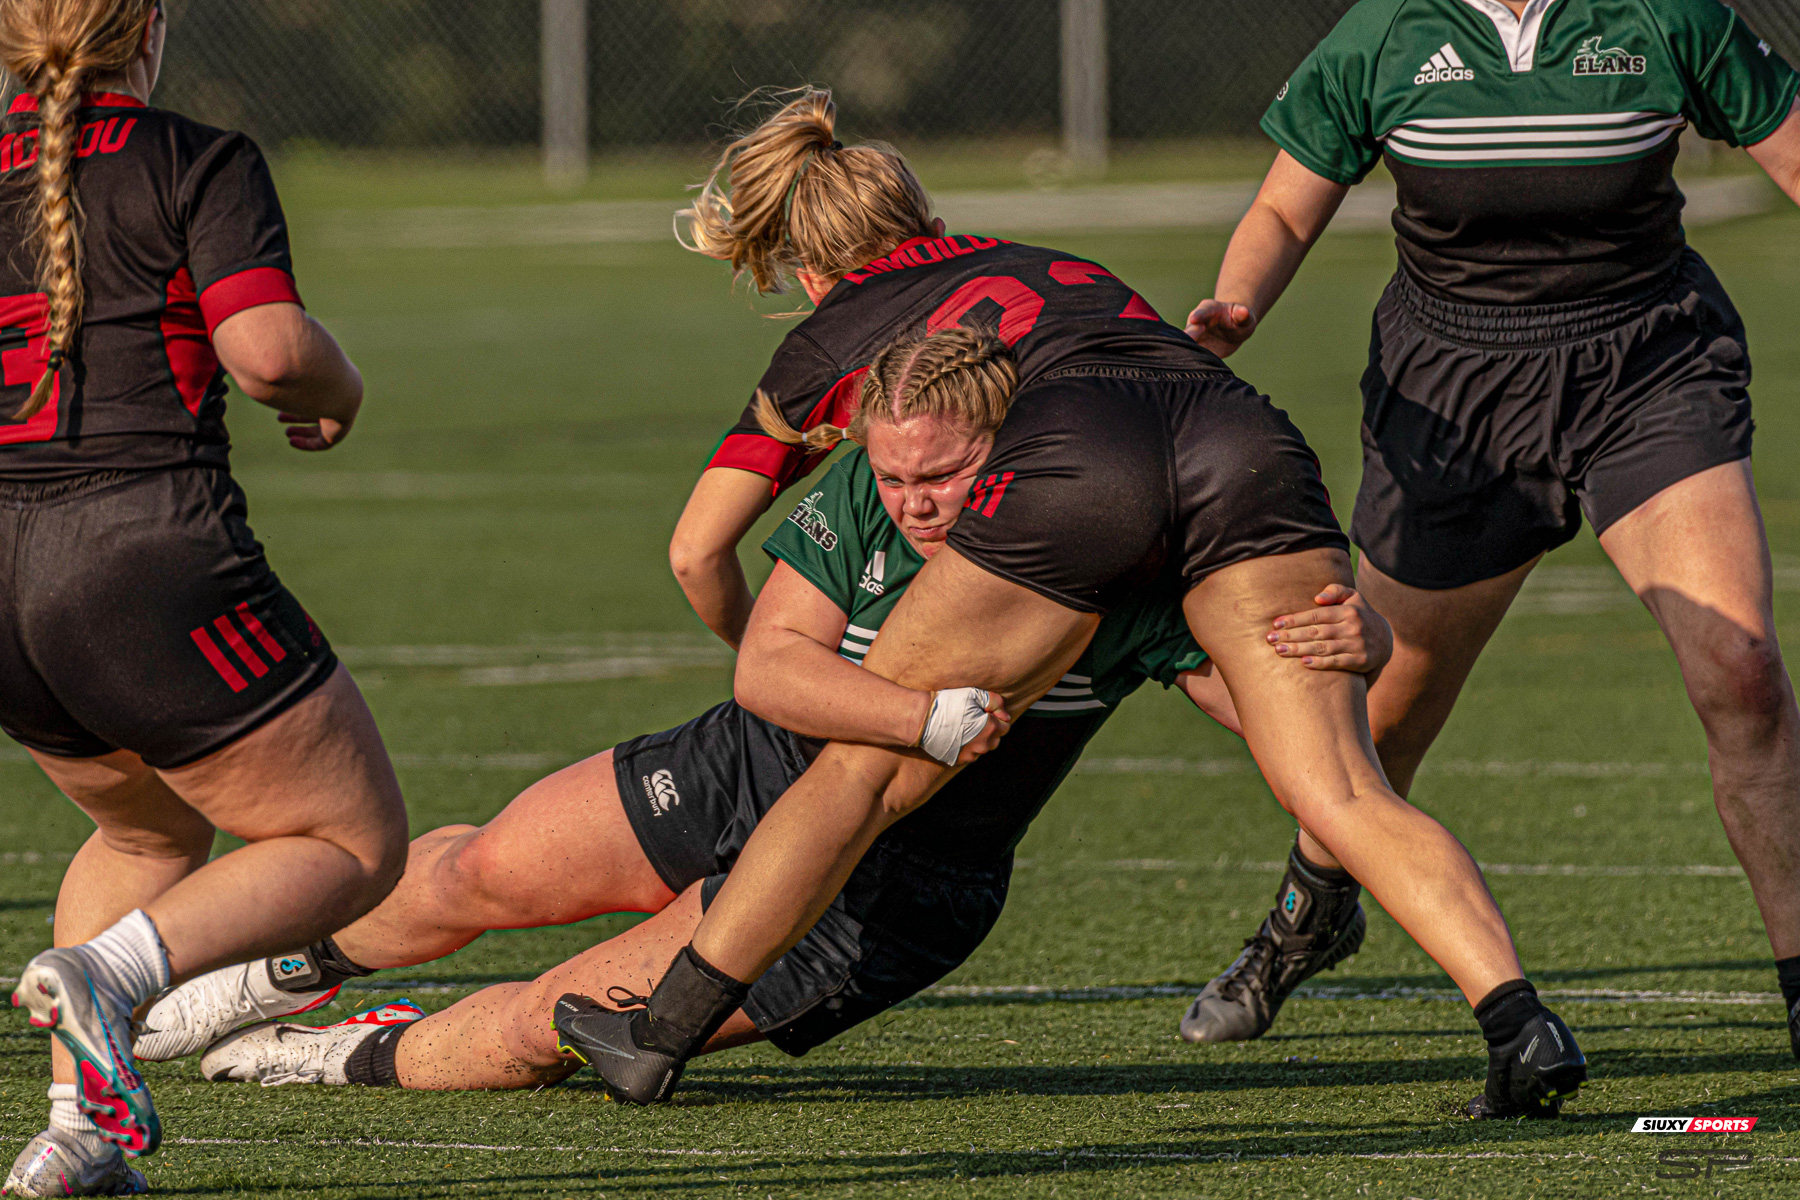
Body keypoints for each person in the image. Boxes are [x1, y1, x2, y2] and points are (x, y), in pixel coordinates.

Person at [560, 88, 1586, 1120]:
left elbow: (698, 550)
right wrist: (1349, 642)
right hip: (1246, 437)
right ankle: (1517, 1023)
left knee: (861, 771)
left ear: (805, 266)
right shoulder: (1065, 265)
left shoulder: (833, 334)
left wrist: (809, 677)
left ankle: (660, 1033)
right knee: (1344, 791)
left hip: (1081, 458)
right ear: (929, 222)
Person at [132, 328, 1391, 1094]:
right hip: (757, 761)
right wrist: (923, 719)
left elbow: (1286, 723)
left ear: (1014, 461)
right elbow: (770, 667)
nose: (914, 502)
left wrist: (1357, 642)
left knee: (538, 1025)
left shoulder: (1097, 557)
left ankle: (342, 1054)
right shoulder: (863, 495)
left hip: (891, 890)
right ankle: (279, 972)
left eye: (943, 477)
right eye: (893, 474)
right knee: (483, 870)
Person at [1182, 0, 1800, 1054]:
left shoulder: (1666, 15)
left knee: (1741, 669)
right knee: (1376, 723)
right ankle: (1307, 916)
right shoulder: (1386, 33)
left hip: (1648, 367)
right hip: (1455, 401)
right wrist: (1233, 307)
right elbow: (1285, 213)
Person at [0, 3, 409, 1194]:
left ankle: (81, 1134)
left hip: (5, 574)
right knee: (351, 842)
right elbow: (271, 352)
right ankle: (116, 979)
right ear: (150, 28)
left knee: (144, 829)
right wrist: (339, 387)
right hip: (139, 553)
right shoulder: (194, 158)